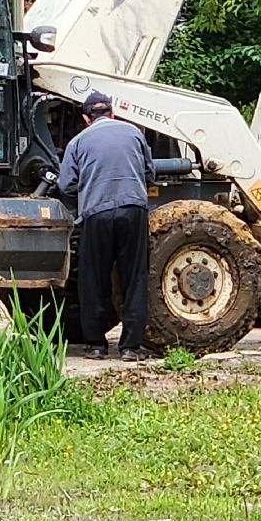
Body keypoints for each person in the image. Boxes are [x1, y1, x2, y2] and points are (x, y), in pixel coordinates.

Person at [55, 90, 154, 361]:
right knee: (134, 277)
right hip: (133, 210)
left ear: (87, 118)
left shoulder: (78, 142)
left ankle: (97, 345)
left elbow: (66, 185)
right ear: (112, 113)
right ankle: (130, 347)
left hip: (96, 214)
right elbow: (149, 172)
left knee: (93, 279)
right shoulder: (134, 133)